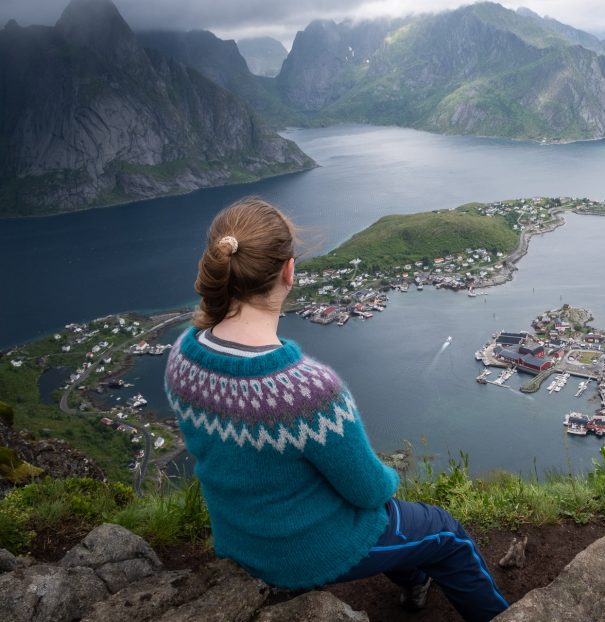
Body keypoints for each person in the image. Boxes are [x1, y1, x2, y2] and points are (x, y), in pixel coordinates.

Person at [164, 197, 508, 622]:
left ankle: (415, 581)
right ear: (289, 270)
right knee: (443, 530)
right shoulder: (304, 390)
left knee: (399, 523)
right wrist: (388, 474)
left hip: (239, 536)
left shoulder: (184, 355)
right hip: (303, 552)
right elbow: (369, 492)